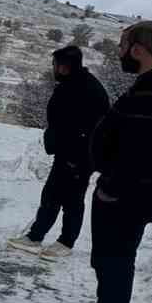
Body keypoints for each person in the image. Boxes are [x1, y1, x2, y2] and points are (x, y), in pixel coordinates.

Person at [59, 21, 152, 303]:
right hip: (135, 187)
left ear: (138, 50)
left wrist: (112, 187)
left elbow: (138, 147)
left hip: (128, 190)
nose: (119, 52)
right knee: (110, 258)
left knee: (114, 260)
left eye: (121, 46)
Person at [8, 45, 110, 258]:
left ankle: (65, 242)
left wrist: (78, 156)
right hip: (67, 153)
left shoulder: (86, 89)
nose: (52, 68)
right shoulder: (73, 84)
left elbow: (91, 128)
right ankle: (36, 236)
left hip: (79, 156)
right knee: (53, 195)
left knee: (71, 199)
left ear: (64, 66)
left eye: (54, 64)